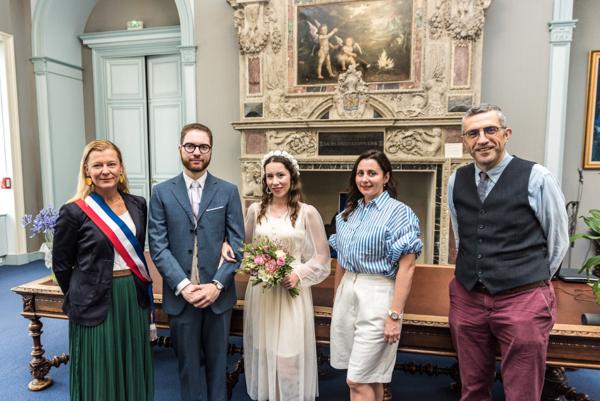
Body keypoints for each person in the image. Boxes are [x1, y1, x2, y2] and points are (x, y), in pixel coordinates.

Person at [447, 104, 569, 401]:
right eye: (473, 133)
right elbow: (462, 237)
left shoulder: (537, 177)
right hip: (468, 298)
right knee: (471, 388)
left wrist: (528, 278)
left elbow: (558, 241)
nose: (482, 139)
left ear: (506, 133)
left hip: (523, 299)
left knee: (522, 392)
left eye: (490, 130)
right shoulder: (456, 180)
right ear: (465, 140)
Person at [221, 150, 331, 401]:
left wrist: (298, 274)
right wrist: (251, 264)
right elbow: (245, 248)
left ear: (292, 177)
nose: (275, 181)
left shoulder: (307, 212)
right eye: (269, 176)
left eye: (280, 175)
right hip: (263, 293)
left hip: (292, 294)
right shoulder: (255, 210)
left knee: (288, 359)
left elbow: (322, 256)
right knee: (267, 354)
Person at [148, 123, 244, 401]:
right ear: (180, 149)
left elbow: (237, 244)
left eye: (203, 147)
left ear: (210, 151)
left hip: (218, 296)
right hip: (181, 297)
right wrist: (184, 286)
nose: (197, 152)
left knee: (218, 365)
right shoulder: (161, 192)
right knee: (188, 367)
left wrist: (216, 285)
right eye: (190, 146)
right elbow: (158, 246)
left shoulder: (228, 191)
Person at [53, 140, 154, 401]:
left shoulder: (138, 204)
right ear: (87, 171)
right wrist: (80, 294)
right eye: (97, 165)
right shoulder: (74, 211)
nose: (105, 170)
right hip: (93, 300)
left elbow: (137, 249)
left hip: (131, 295)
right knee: (99, 368)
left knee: (131, 362)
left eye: (111, 164)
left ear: (121, 168)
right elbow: (61, 265)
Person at [329, 149, 423, 401]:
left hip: (378, 295)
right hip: (348, 292)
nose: (365, 179)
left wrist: (394, 315)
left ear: (386, 177)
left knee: (356, 379)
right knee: (370, 377)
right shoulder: (347, 214)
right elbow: (341, 263)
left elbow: (407, 268)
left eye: (372, 173)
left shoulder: (399, 213)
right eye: (360, 173)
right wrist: (337, 300)